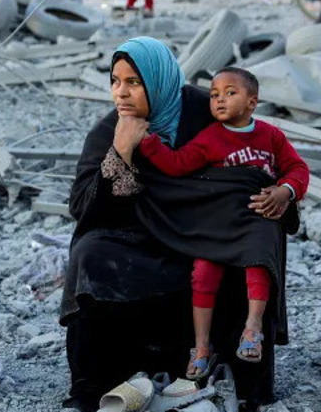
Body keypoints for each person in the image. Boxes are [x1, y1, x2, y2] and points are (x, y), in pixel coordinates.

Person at [62, 36, 294, 411]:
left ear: (158, 81)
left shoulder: (208, 111)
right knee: (90, 253)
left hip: (209, 234)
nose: (121, 93)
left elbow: (261, 160)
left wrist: (282, 191)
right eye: (115, 82)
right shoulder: (111, 130)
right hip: (141, 238)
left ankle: (243, 376)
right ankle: (95, 384)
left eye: (133, 83)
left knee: (258, 235)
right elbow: (84, 210)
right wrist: (121, 151)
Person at [137, 66, 309, 378]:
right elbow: (177, 165)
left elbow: (297, 168)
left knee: (259, 257)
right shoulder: (210, 139)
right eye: (214, 95)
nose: (219, 100)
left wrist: (285, 191)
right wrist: (148, 143)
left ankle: (252, 328)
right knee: (203, 272)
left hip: (258, 215)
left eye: (230, 93)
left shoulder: (271, 136)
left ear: (252, 102)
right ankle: (201, 346)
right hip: (218, 219)